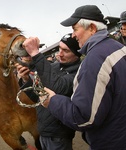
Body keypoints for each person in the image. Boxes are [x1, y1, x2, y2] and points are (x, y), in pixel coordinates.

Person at [39, 5, 126, 150]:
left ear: (92, 28)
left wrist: (52, 101)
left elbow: (84, 117)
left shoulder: (95, 59)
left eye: (75, 29)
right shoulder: (118, 47)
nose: (73, 35)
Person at [16, 33, 82, 150]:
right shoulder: (55, 66)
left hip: (59, 136)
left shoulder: (78, 73)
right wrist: (25, 78)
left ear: (77, 53)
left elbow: (57, 86)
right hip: (43, 131)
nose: (60, 54)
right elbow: (37, 98)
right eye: (60, 48)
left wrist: (35, 53)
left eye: (66, 51)